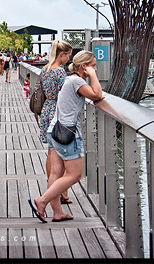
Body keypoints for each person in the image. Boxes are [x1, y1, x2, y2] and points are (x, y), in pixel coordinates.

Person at [28, 50, 103, 223]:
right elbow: (97, 95)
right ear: (84, 66)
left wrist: (90, 74)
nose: (95, 69)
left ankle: (58, 212)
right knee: (75, 175)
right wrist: (92, 76)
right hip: (67, 133)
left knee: (56, 173)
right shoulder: (77, 81)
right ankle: (42, 200)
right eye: (93, 66)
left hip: (55, 129)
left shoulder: (69, 79)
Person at [38, 40, 73, 206]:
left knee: (50, 152)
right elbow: (64, 95)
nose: (68, 59)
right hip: (57, 112)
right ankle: (62, 193)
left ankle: (51, 187)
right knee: (62, 154)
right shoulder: (60, 72)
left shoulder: (45, 69)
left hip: (47, 109)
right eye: (68, 56)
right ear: (62, 54)